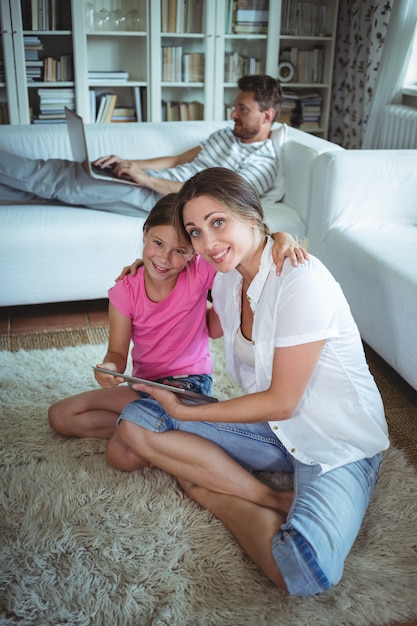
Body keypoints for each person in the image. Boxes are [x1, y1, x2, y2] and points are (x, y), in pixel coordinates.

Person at [105, 167, 390, 597]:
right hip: (273, 432)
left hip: (337, 442)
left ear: (251, 215)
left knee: (303, 571)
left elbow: (282, 402)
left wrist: (187, 415)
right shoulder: (225, 280)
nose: (207, 243)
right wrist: (142, 274)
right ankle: (264, 495)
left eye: (218, 222)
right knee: (137, 423)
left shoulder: (301, 280)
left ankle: (210, 488)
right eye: (195, 231)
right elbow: (190, 306)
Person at [48, 192, 306, 442]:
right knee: (60, 415)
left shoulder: (199, 271)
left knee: (122, 455)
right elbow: (117, 354)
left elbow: (247, 250)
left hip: (188, 387)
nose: (164, 258)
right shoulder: (125, 291)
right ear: (145, 233)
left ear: (193, 252)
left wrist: (282, 237)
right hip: (143, 387)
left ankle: (153, 434)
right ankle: (158, 434)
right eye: (158, 243)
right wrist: (109, 369)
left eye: (179, 251)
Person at [0, 75, 283, 217]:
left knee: (63, 179)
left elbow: (214, 200)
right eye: (235, 107)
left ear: (267, 115)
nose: (233, 114)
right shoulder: (226, 134)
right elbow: (176, 160)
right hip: (153, 183)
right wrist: (131, 163)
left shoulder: (263, 162)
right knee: (62, 177)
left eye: (242, 110)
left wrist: (146, 180)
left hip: (168, 199)